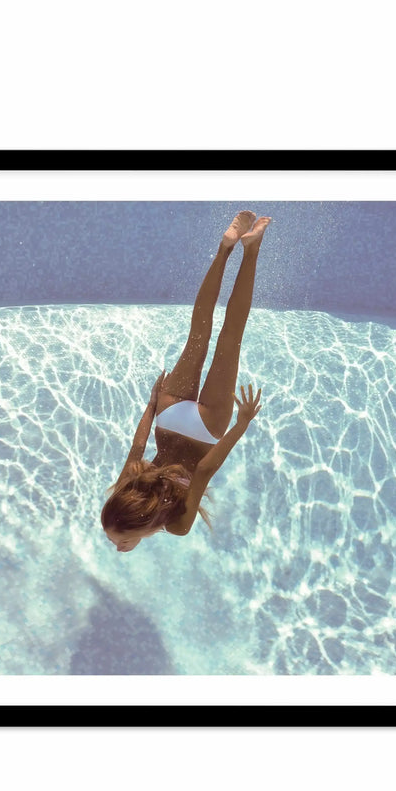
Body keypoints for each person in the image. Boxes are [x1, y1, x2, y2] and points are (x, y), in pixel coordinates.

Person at [101, 211, 269, 552]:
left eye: (120, 540)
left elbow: (205, 469)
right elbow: (137, 447)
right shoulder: (122, 490)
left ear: (143, 526)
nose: (119, 547)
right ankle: (226, 247)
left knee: (230, 336)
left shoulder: (176, 524)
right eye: (120, 541)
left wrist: (241, 424)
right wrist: (152, 405)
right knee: (200, 330)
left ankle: (251, 250)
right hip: (169, 416)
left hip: (206, 429)